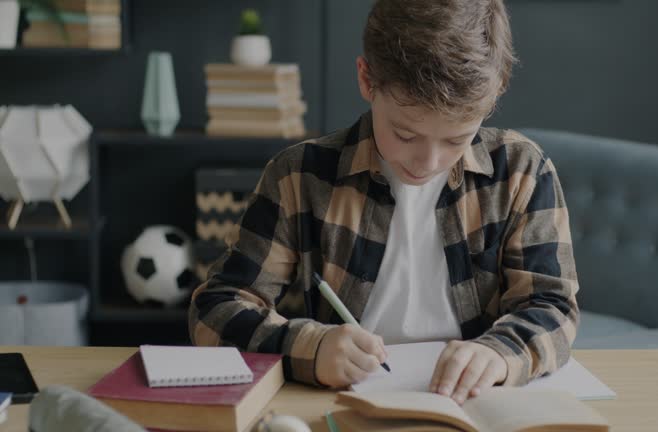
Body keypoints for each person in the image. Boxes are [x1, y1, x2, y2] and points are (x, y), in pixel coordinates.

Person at [189, 0, 579, 406]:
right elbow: (213, 311)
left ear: (495, 93)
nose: (428, 163)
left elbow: (553, 306)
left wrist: (500, 353)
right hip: (340, 403)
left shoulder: (521, 171)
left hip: (475, 406)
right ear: (366, 79)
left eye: (455, 140)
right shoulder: (300, 176)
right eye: (406, 135)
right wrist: (312, 349)